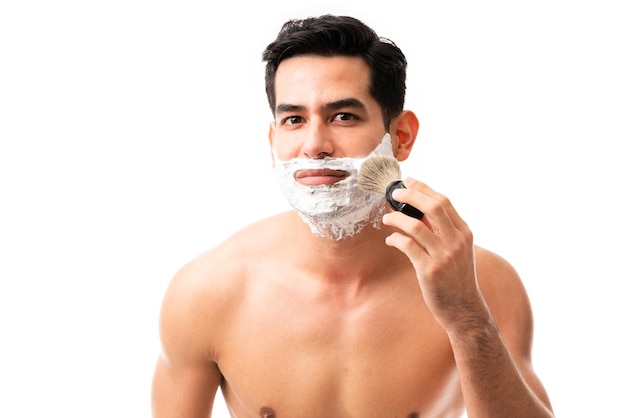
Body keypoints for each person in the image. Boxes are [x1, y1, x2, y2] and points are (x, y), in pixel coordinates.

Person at [151, 14, 554, 418]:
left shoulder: (481, 282)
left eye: (343, 116)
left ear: (400, 137)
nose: (314, 145)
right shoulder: (206, 292)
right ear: (274, 139)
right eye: (294, 119)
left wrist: (467, 318)